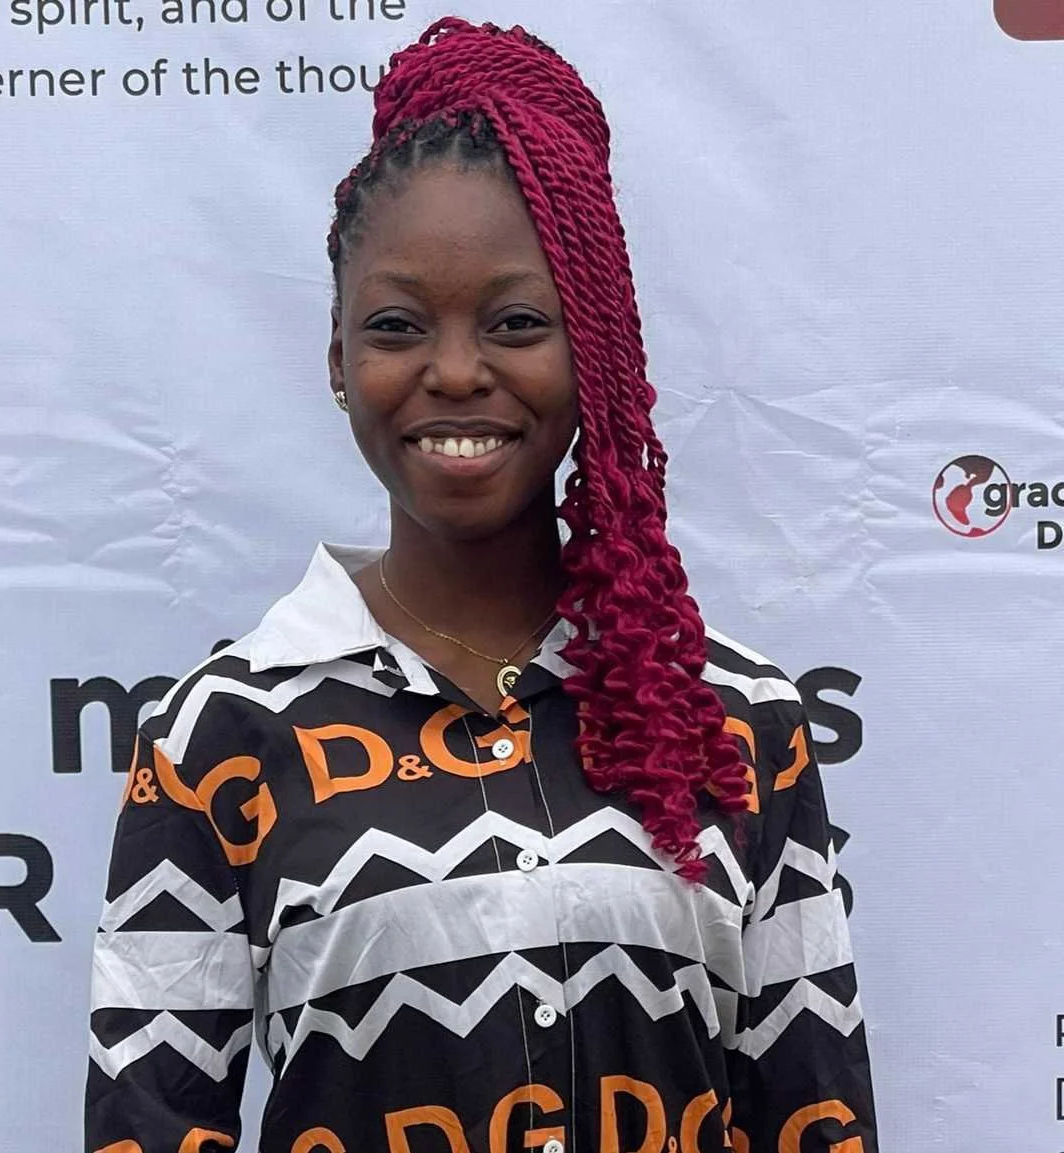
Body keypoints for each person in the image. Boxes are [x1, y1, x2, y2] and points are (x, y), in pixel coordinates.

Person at [85, 17, 877, 1153]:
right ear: (336, 358)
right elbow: (147, 1128)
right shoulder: (223, 730)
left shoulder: (730, 721)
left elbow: (821, 1119)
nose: (454, 372)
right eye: (397, 327)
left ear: (590, 348)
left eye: (514, 323)